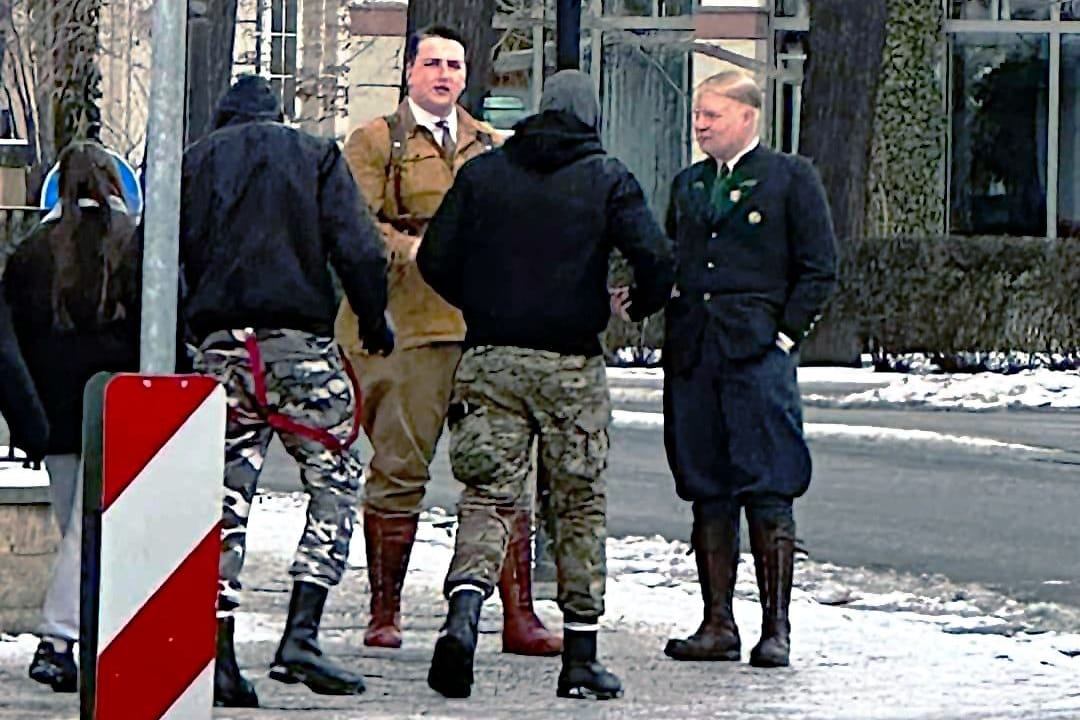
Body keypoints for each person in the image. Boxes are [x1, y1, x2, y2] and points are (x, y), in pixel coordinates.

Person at [418, 69, 675, 701]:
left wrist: (482, 305)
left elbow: (432, 259)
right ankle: (581, 656)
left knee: (488, 496)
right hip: (570, 365)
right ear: (591, 118)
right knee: (579, 501)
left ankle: (463, 616)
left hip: (491, 359)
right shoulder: (607, 178)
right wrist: (637, 304)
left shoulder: (482, 174)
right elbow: (658, 258)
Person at [334, 24, 559, 655]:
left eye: (455, 66)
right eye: (432, 63)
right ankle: (386, 611)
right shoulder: (376, 140)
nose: (444, 75)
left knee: (502, 473)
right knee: (399, 470)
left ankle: (519, 614)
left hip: (483, 329)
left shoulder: (492, 146)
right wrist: (420, 250)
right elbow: (355, 223)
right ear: (409, 71)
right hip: (407, 327)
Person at [180, 75, 392, 706]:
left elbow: (153, 257)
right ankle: (302, 632)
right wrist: (373, 321)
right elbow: (360, 248)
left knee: (220, 498)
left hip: (221, 353)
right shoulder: (315, 155)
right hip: (301, 348)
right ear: (277, 114)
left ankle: (217, 653)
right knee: (335, 478)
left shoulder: (194, 162)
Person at [660, 71, 837, 669]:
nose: (701, 123)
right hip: (696, 355)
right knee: (707, 488)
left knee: (768, 487)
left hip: (757, 355)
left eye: (712, 113)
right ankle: (717, 624)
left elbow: (818, 269)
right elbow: (672, 261)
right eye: (698, 114)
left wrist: (784, 336)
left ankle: (776, 628)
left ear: (747, 116)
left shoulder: (790, 179)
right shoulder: (688, 185)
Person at [2, 139, 140, 693]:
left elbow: (15, 339)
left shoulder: (32, 251)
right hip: (116, 407)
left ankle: (76, 633)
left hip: (52, 412)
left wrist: (26, 415)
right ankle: (60, 637)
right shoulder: (132, 245)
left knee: (74, 529)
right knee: (89, 532)